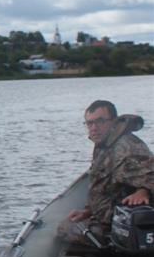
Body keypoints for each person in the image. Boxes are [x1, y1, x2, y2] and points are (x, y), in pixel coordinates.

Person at [61, 100, 154, 243]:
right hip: (107, 217)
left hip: (119, 223)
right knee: (67, 227)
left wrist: (143, 191)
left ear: (113, 122)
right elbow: (104, 186)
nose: (94, 128)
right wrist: (89, 210)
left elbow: (149, 172)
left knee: (64, 230)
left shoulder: (127, 146)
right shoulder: (105, 145)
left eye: (100, 121)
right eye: (89, 123)